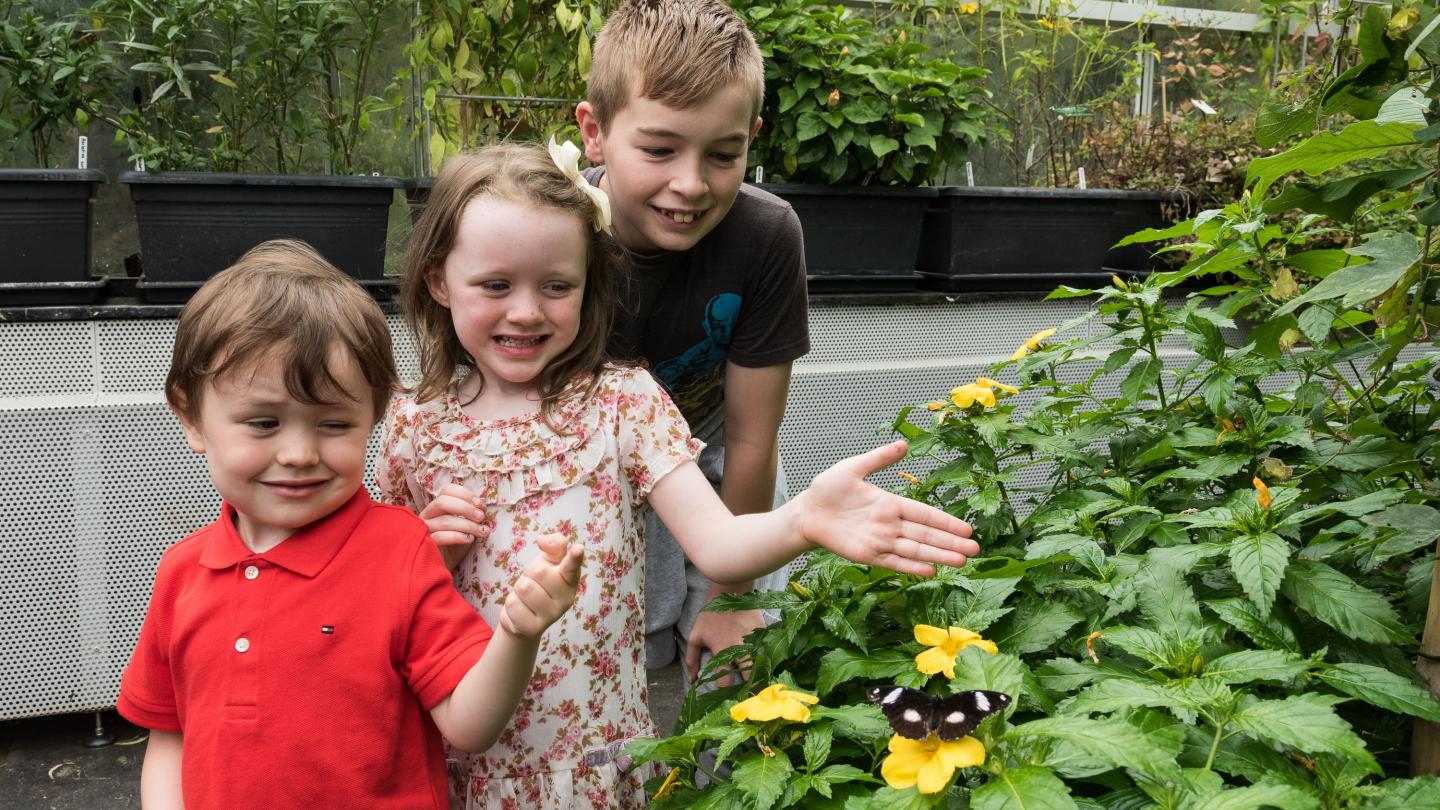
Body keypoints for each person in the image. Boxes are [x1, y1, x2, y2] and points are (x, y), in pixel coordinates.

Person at [377, 141, 979, 808]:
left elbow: (718, 543)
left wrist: (803, 518)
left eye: (557, 285)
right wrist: (424, 556)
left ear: (589, 283)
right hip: (456, 766)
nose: (526, 310)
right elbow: (379, 603)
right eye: (495, 285)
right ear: (438, 281)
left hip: (594, 766)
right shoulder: (414, 428)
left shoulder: (621, 404)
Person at [115, 240, 584, 810]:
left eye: (334, 424)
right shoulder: (183, 572)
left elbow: (467, 725)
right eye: (263, 422)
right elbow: (169, 738)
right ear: (190, 417)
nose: (298, 453)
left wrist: (518, 634)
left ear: (375, 412)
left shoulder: (400, 551)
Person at [574, 0, 809, 686]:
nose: (690, 184)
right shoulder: (555, 231)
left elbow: (752, 439)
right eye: (658, 149)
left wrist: (732, 591)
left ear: (751, 139)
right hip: (598, 474)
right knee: (620, 667)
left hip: (716, 464)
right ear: (595, 131)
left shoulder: (767, 236)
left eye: (723, 155)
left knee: (735, 669)